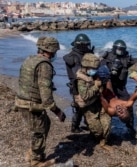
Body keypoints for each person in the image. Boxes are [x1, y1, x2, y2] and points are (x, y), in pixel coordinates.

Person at [15, 36, 66, 167]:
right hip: (31, 103)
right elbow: (46, 94)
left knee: (45, 124)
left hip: (22, 100)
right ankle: (36, 161)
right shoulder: (45, 65)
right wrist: (57, 111)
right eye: (55, 51)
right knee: (40, 131)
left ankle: (33, 153)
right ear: (51, 50)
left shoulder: (31, 59)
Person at [101, 39, 137, 137]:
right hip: (108, 85)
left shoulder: (127, 59)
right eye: (118, 49)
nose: (120, 51)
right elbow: (99, 69)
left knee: (128, 106)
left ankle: (130, 126)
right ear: (114, 48)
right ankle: (104, 125)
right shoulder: (107, 58)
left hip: (120, 87)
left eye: (122, 49)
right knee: (104, 106)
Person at [74, 53, 113, 151]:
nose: (95, 70)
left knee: (107, 125)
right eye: (93, 68)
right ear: (86, 66)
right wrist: (96, 86)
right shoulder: (81, 79)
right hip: (89, 107)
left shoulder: (94, 72)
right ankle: (96, 135)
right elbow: (85, 96)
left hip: (99, 102)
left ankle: (103, 142)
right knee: (98, 131)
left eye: (96, 68)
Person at [63, 33, 94, 133]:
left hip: (85, 85)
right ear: (81, 45)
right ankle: (75, 126)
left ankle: (88, 124)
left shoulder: (83, 54)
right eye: (86, 45)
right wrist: (90, 80)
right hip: (77, 86)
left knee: (89, 105)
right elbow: (77, 73)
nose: (88, 47)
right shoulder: (73, 57)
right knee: (80, 107)